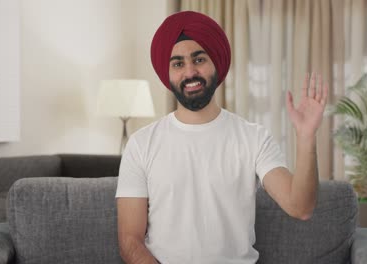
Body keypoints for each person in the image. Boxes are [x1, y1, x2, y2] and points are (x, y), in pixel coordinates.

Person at [116, 11, 328, 264]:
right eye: (178, 64)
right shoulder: (141, 144)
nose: (190, 72)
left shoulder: (254, 138)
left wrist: (306, 137)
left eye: (199, 59)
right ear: (168, 73)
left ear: (216, 62)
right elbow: (130, 241)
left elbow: (301, 207)